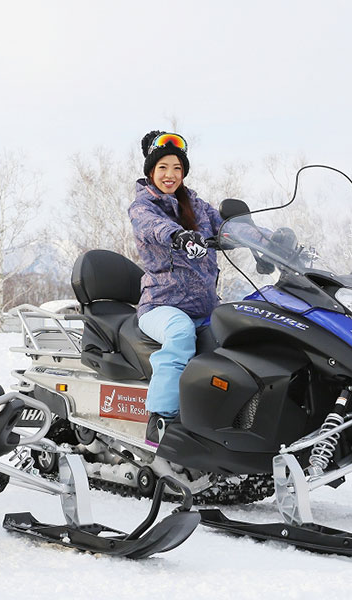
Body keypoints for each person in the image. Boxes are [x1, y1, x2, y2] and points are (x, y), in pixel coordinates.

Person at [128, 131, 224, 446]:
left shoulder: (196, 204)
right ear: (151, 172)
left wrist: (268, 241)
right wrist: (179, 236)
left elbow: (228, 226)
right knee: (181, 332)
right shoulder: (143, 205)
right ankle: (161, 420)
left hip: (205, 305)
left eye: (177, 169)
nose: (171, 175)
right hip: (160, 306)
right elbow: (153, 227)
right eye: (163, 168)